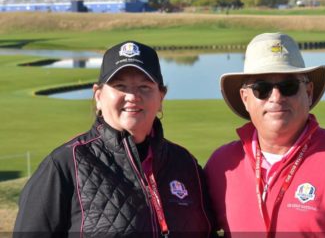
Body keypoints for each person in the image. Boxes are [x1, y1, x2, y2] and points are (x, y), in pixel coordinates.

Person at [205, 32, 325, 236]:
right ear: (245, 98)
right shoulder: (222, 165)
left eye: (288, 86)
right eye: (261, 89)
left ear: (308, 92)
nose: (276, 97)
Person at [14, 41, 215, 237]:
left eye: (145, 86)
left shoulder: (185, 164)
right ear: (98, 96)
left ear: (161, 98)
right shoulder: (64, 165)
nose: (132, 96)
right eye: (120, 86)